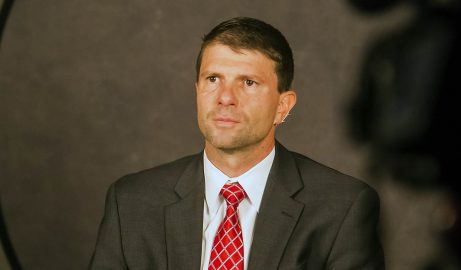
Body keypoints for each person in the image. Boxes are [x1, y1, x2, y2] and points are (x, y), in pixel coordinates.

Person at [89, 17, 384, 270]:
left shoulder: (342, 208)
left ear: (283, 106)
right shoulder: (131, 202)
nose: (225, 97)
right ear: (197, 91)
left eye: (248, 82)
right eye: (213, 78)